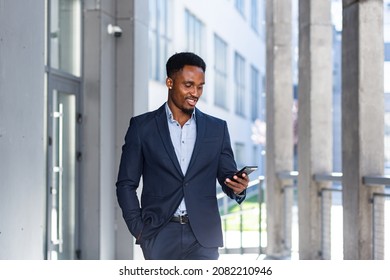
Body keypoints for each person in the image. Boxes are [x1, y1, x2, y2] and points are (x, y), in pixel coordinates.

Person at [116, 52, 249, 260]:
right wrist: (139, 229)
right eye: (188, 85)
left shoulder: (217, 129)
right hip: (159, 235)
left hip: (203, 238)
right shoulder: (142, 127)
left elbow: (227, 177)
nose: (195, 92)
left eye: (200, 86)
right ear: (169, 82)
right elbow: (126, 184)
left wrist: (238, 188)